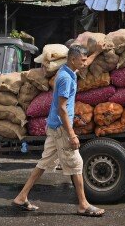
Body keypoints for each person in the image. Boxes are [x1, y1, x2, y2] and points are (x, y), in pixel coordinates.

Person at [12, 44, 106, 217]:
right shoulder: (65, 78)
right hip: (61, 128)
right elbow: (62, 108)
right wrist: (71, 134)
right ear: (73, 59)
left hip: (54, 126)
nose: (85, 63)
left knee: (44, 163)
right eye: (82, 60)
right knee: (77, 164)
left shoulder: (69, 71)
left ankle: (21, 196)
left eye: (85, 60)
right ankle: (83, 205)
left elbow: (86, 62)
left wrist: (97, 52)